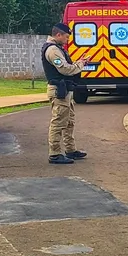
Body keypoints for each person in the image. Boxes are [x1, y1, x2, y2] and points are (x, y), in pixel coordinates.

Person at [42, 22, 88, 165]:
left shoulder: (58, 48)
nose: (68, 40)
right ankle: (55, 153)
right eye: (66, 37)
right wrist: (80, 65)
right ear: (58, 35)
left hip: (65, 90)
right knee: (58, 122)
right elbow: (65, 69)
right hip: (59, 91)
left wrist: (79, 62)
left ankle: (70, 150)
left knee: (69, 121)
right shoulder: (53, 50)